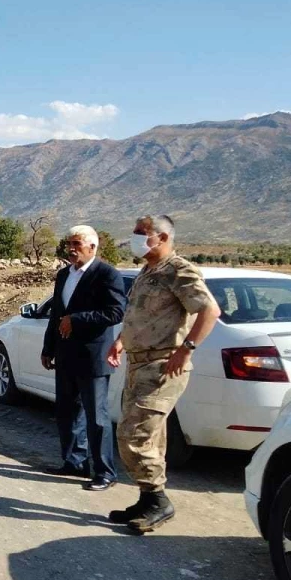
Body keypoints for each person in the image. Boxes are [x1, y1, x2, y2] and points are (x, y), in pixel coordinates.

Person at [106, 215, 220, 533]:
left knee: (133, 435)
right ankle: (148, 498)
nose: (136, 238)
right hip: (138, 363)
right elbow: (137, 316)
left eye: (142, 234)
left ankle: (158, 500)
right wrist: (120, 342)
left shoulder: (178, 270)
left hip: (162, 364)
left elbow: (209, 310)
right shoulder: (147, 272)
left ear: (164, 237)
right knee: (151, 437)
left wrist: (186, 349)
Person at [40, 225, 127, 490]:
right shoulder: (63, 275)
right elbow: (56, 315)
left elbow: (115, 313)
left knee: (96, 418)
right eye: (69, 243)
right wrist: (48, 347)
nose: (71, 249)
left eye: (77, 243)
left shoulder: (107, 274)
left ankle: (105, 472)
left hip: (93, 357)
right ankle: (74, 462)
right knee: (67, 412)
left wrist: (76, 320)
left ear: (93, 247)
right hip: (66, 355)